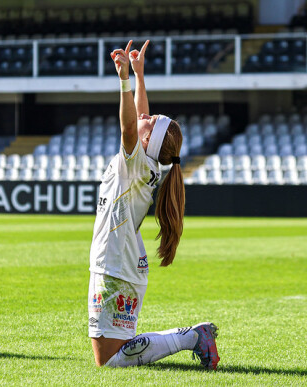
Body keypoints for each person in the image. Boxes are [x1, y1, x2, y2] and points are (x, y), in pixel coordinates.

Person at [88, 40, 220, 369]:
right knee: (112, 355)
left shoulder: (135, 162)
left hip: (115, 263)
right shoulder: (147, 164)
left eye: (152, 119)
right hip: (125, 263)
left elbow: (130, 123)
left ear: (146, 141)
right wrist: (140, 76)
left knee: (109, 361)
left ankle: (193, 336)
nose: (145, 114)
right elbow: (141, 120)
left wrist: (124, 80)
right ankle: (193, 336)